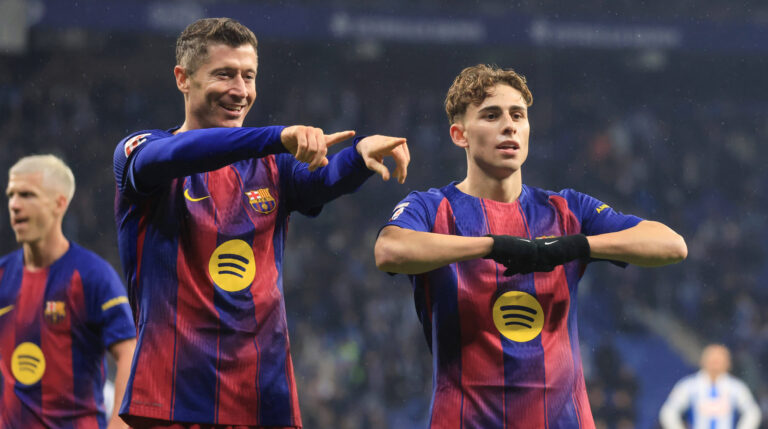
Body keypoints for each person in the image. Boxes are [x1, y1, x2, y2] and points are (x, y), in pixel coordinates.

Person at [112, 17, 409, 428]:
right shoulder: (141, 152)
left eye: (248, 76)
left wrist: (358, 157)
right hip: (173, 396)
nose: (240, 90)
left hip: (264, 399)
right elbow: (173, 157)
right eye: (224, 75)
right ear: (183, 78)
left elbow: (323, 179)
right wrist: (277, 135)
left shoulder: (273, 167)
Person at [374, 64, 688, 428]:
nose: (509, 125)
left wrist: (574, 246)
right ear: (459, 135)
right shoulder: (431, 207)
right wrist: (491, 246)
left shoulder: (567, 209)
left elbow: (671, 245)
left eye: (518, 115)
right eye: (491, 115)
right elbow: (389, 250)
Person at [0, 154, 136, 428]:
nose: (14, 205)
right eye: (11, 195)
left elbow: (130, 355)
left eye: (27, 195)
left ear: (59, 203)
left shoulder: (92, 276)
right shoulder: (2, 275)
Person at [659, 344, 761, 429]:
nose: (715, 364)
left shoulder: (736, 388)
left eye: (719, 360)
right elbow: (668, 412)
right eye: (712, 359)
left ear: (728, 363)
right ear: (703, 361)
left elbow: (752, 413)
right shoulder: (689, 386)